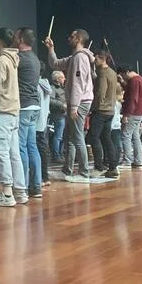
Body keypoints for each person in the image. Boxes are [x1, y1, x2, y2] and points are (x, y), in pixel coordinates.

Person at [43, 29, 95, 180]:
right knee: (70, 137)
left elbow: (78, 83)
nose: (69, 38)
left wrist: (74, 106)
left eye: (72, 36)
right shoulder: (75, 57)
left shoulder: (79, 58)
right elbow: (56, 64)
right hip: (80, 101)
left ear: (78, 39)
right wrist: (51, 49)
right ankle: (67, 170)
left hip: (80, 102)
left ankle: (84, 172)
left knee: (77, 137)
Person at [0, 28, 22, 207]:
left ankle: (8, 193)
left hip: (2, 112)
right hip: (13, 111)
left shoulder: (2, 61)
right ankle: (20, 191)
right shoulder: (12, 58)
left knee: (1, 153)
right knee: (14, 153)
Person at [15, 27, 43, 198]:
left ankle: (23, 187)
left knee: (21, 147)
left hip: (24, 106)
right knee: (32, 146)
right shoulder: (35, 59)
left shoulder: (20, 58)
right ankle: (36, 186)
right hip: (34, 106)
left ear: (20, 39)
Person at [89, 49, 120, 178]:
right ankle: (113, 166)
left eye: (96, 59)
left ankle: (99, 166)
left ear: (102, 58)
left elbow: (100, 93)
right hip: (110, 110)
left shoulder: (102, 73)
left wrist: (92, 108)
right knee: (106, 139)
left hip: (101, 110)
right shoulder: (112, 72)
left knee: (94, 137)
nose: (94, 61)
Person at [118, 66, 142, 168]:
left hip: (134, 113)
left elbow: (133, 99)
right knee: (135, 137)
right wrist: (122, 82)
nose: (123, 78)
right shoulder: (140, 79)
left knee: (126, 135)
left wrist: (126, 114)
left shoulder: (135, 81)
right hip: (140, 112)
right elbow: (129, 90)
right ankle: (138, 160)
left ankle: (127, 160)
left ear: (127, 72)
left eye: (123, 75)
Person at [37, 63, 52, 187]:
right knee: (43, 149)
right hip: (44, 121)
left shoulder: (36, 85)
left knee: (39, 150)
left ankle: (41, 176)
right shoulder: (46, 84)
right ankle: (45, 176)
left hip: (37, 122)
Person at [49, 70, 66, 160]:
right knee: (58, 135)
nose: (64, 79)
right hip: (58, 114)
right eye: (62, 77)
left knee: (62, 136)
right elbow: (51, 100)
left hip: (64, 114)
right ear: (57, 79)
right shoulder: (53, 88)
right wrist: (62, 105)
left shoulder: (63, 88)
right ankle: (56, 155)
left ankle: (60, 153)